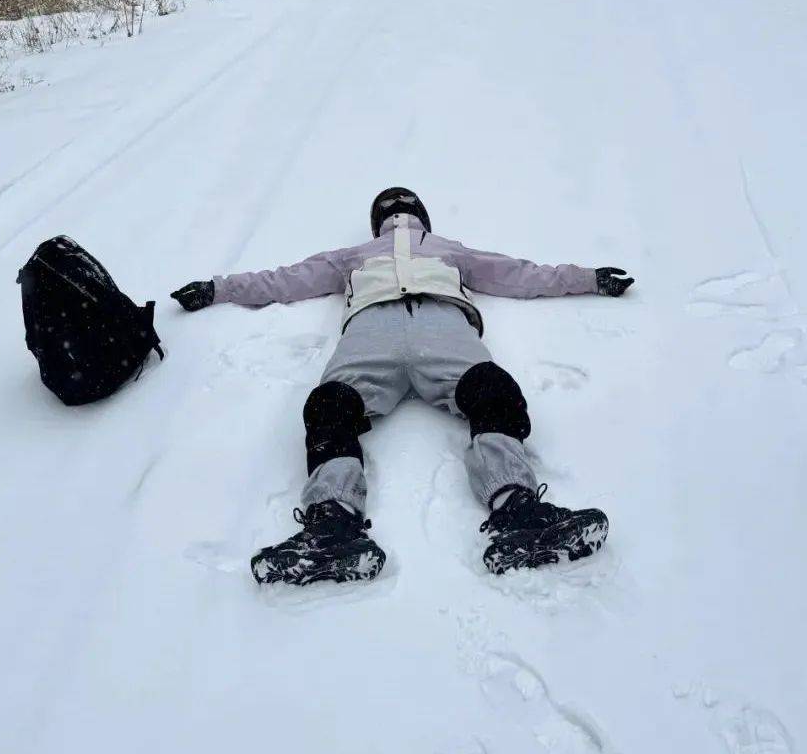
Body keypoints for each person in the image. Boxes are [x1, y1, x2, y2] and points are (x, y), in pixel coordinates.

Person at [172, 188, 634, 587]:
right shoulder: (355, 256)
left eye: (401, 207)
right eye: (393, 209)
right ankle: (332, 523)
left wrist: (588, 279)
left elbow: (521, 273)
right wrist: (218, 288)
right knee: (332, 404)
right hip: (388, 328)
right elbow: (285, 280)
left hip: (428, 323)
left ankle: (515, 509)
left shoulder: (444, 249)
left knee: (489, 387)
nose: (398, 214)